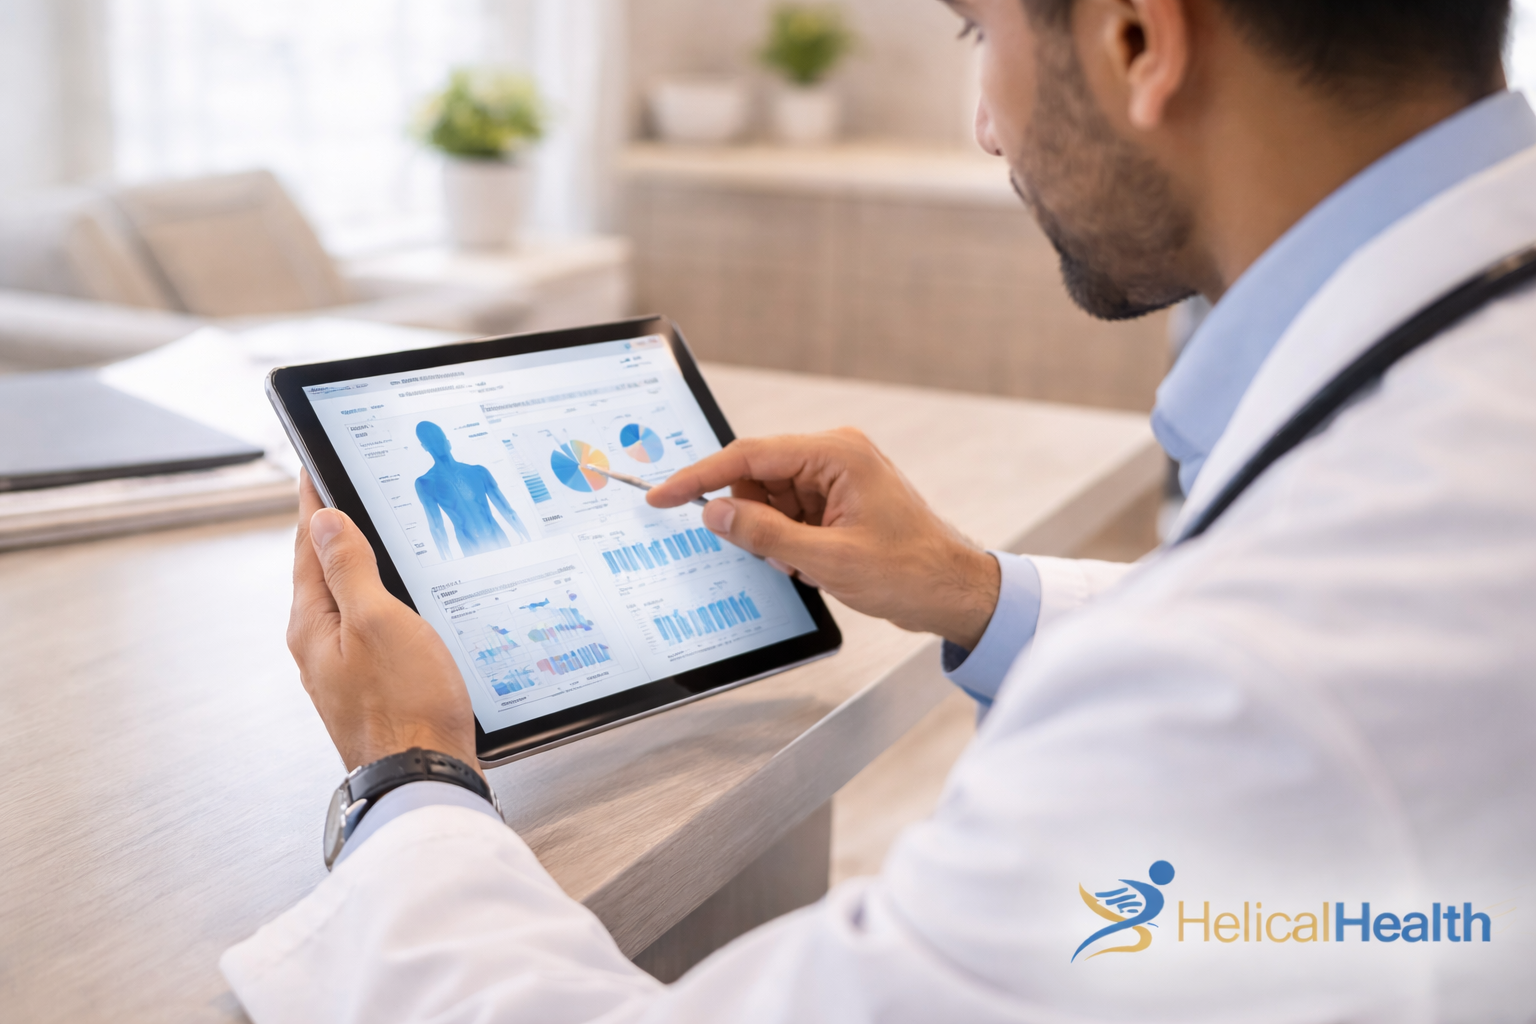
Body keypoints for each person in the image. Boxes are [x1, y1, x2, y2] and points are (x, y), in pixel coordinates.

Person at [223, 0, 1536, 1020]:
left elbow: (1260, 673)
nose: (985, 124)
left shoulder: (1249, 693)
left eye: (981, 32)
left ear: (1140, 38)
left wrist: (409, 774)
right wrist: (974, 588)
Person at [412, 419, 531, 558]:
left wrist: (527, 538)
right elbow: (436, 526)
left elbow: (507, 510)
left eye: (439, 439)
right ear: (424, 447)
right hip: (470, 544)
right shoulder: (425, 483)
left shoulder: (479, 472)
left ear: (448, 442)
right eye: (431, 442)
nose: (437, 445)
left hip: (497, 537)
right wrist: (446, 559)